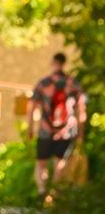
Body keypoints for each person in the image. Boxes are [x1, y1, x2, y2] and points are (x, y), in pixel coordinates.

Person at [29, 52, 87, 195]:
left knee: (41, 163)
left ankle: (42, 191)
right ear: (64, 63)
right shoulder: (73, 83)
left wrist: (30, 127)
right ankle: (54, 195)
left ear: (52, 62)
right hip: (66, 132)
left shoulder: (43, 83)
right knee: (60, 163)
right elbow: (81, 109)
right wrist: (81, 132)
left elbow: (31, 107)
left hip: (45, 130)